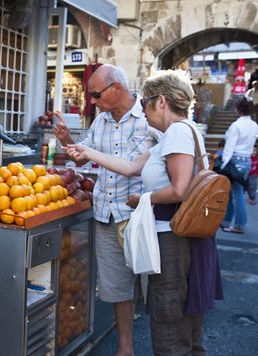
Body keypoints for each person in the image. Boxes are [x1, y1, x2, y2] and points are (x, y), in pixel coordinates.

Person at [64, 69, 223, 355]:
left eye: (147, 102)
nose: (144, 109)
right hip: (173, 234)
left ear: (161, 102)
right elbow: (129, 167)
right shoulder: (172, 135)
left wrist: (144, 199)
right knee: (181, 320)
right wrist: (84, 151)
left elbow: (179, 190)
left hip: (173, 236)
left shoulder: (176, 133)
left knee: (170, 321)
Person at [53, 64, 159, 356]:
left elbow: (133, 168)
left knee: (155, 287)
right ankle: (125, 349)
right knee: (116, 288)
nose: (93, 102)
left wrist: (86, 152)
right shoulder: (100, 122)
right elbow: (84, 157)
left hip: (141, 217)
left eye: (96, 95)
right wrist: (68, 143)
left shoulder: (149, 118)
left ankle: (167, 346)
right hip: (107, 215)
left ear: (117, 88)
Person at [220, 96, 258, 234]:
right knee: (236, 193)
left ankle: (240, 225)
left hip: (234, 160)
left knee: (236, 195)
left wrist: (223, 164)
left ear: (239, 109)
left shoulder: (236, 125)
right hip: (246, 160)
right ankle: (227, 222)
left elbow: (229, 146)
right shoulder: (254, 126)